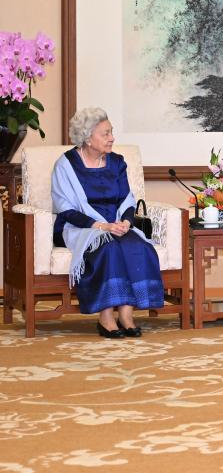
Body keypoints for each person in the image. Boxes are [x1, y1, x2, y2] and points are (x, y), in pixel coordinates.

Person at [52, 108, 164, 339]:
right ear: (87, 137)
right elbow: (65, 208)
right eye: (105, 134)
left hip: (116, 225)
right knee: (109, 249)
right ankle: (105, 317)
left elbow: (126, 198)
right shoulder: (66, 164)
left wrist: (126, 222)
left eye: (111, 132)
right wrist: (102, 227)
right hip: (80, 226)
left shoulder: (117, 162)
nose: (112, 138)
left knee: (139, 247)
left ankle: (126, 314)